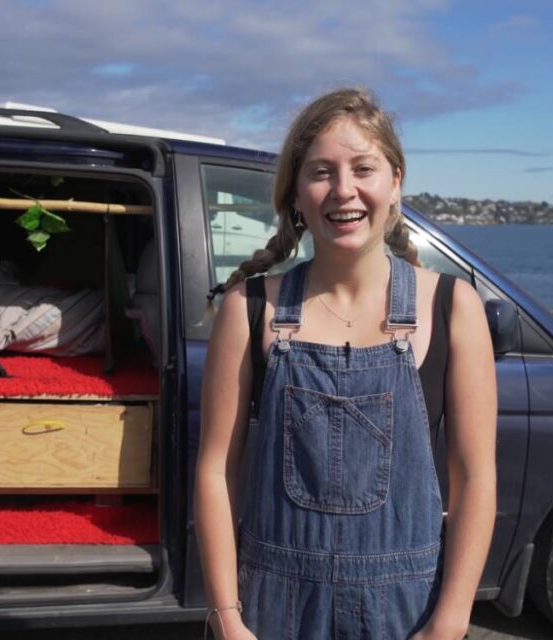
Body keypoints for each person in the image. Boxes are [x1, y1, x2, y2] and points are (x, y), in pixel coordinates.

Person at [195, 87, 497, 639]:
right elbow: (216, 471)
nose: (344, 191)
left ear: (395, 180)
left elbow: (476, 478)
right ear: (295, 193)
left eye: (363, 168)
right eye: (321, 172)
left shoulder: (453, 308)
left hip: (408, 612)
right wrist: (227, 617)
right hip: (272, 608)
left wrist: (450, 623)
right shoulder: (249, 308)